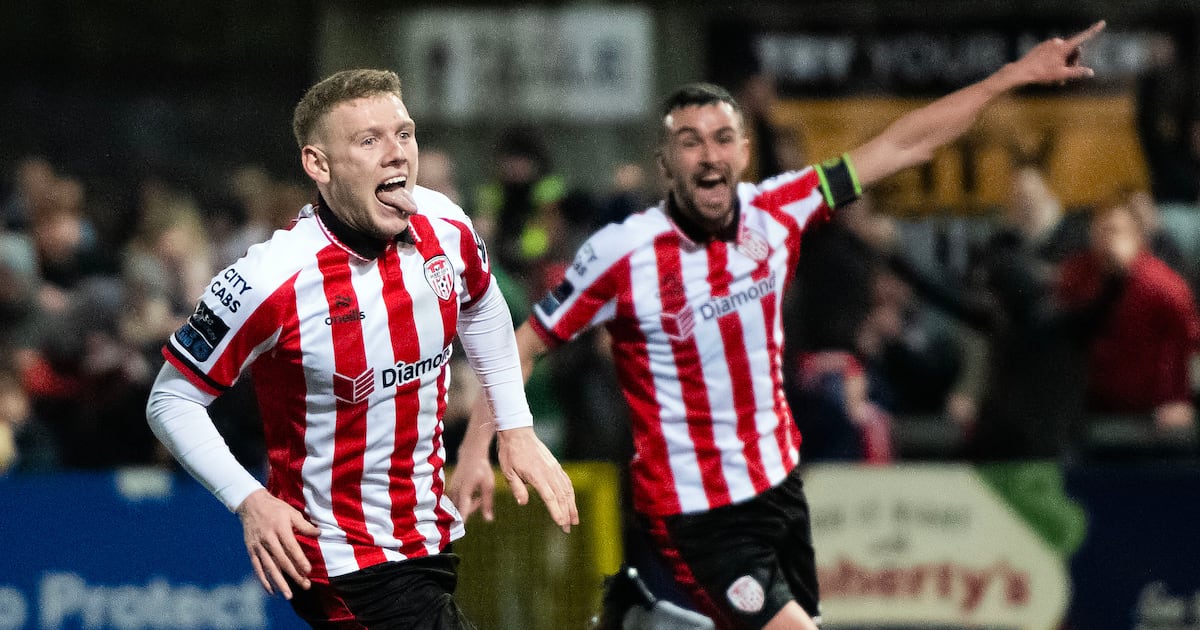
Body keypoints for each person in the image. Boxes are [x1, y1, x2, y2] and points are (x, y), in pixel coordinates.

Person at [450, 22, 1108, 630]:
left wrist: (1007, 78)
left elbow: (906, 142)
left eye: (722, 138)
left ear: (742, 150)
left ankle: (645, 617)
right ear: (665, 164)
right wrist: (483, 447)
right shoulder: (622, 253)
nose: (708, 156)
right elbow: (522, 346)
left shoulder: (780, 208)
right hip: (693, 511)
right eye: (689, 142)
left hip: (777, 490)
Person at [145, 68, 577, 629]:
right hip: (342, 559)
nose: (396, 154)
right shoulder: (268, 279)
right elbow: (170, 400)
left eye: (404, 133)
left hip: (424, 537)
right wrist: (250, 500)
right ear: (318, 165)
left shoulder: (445, 223)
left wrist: (512, 431)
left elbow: (484, 307)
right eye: (369, 140)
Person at [1059, 196, 1200, 449]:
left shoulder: (1164, 287)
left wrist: (1180, 400)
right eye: (1101, 230)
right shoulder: (1076, 276)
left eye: (1116, 230)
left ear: (1137, 237)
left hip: (1152, 411)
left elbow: (1188, 344)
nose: (1107, 238)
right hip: (1087, 404)